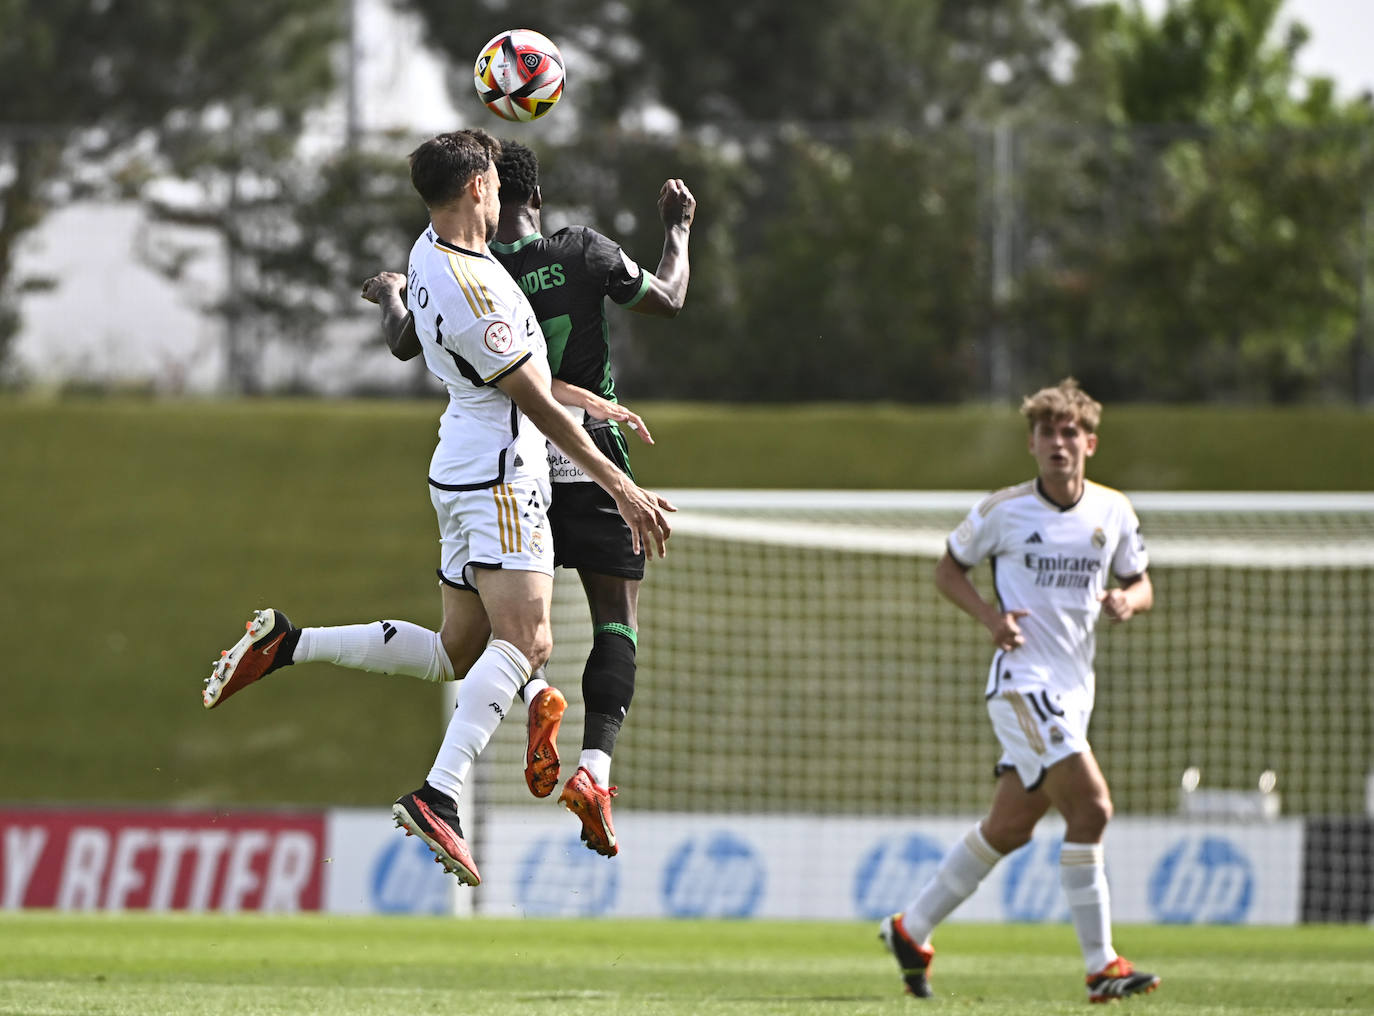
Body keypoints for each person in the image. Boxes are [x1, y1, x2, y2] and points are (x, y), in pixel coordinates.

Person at [201, 128, 674, 887]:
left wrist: (587, 400)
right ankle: (440, 793)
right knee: (530, 642)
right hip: (500, 477)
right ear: (477, 189)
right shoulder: (478, 288)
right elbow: (532, 407)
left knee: (459, 652)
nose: (495, 189)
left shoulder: (430, 250)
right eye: (489, 177)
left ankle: (288, 644)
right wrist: (622, 486)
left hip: (459, 465)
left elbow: (508, 376)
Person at [360, 138, 695, 858]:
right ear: (534, 196)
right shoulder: (582, 252)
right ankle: (594, 771)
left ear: (485, 191)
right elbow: (668, 299)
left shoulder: (455, 263)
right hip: (583, 453)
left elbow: (404, 342)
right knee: (615, 620)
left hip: (511, 471)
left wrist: (389, 293)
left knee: (502, 624)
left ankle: (537, 692)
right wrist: (678, 226)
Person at [879, 378, 1160, 1003]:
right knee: (1093, 810)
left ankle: (910, 928)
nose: (1058, 443)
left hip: (1074, 692)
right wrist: (989, 618)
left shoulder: (1113, 511)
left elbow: (1141, 582)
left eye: (1069, 433)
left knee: (1011, 826)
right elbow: (947, 569)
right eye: (1046, 433)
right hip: (1021, 687)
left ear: (1088, 442)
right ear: (1032, 444)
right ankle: (1101, 967)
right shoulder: (1002, 511)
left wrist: (1126, 602)